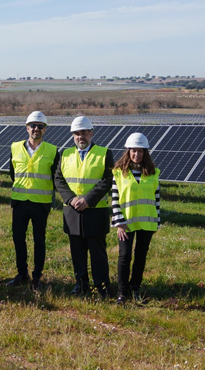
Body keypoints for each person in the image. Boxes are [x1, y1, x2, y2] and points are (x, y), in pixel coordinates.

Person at [54, 115, 115, 299]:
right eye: (77, 133)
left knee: (98, 252)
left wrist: (88, 199)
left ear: (91, 133)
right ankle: (81, 284)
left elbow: (107, 180)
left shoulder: (104, 153)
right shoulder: (65, 154)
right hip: (72, 212)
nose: (81, 136)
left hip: (95, 211)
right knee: (77, 252)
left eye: (84, 133)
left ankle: (101, 286)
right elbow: (59, 179)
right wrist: (71, 199)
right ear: (73, 135)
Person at [7, 111, 59, 289]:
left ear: (45, 130)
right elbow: (13, 173)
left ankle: (37, 276)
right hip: (20, 201)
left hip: (40, 203)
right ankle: (22, 273)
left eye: (40, 126)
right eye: (33, 126)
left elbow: (55, 176)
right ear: (27, 127)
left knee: (39, 240)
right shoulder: (15, 147)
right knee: (18, 239)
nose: (36, 129)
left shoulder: (52, 150)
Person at [111, 133, 161, 305]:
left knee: (141, 256)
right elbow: (115, 199)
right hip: (126, 224)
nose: (136, 155)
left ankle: (135, 289)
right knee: (124, 256)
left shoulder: (153, 173)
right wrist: (118, 222)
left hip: (147, 223)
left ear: (145, 153)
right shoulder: (118, 173)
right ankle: (122, 293)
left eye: (140, 151)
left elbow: (157, 199)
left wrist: (157, 222)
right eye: (133, 151)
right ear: (128, 152)